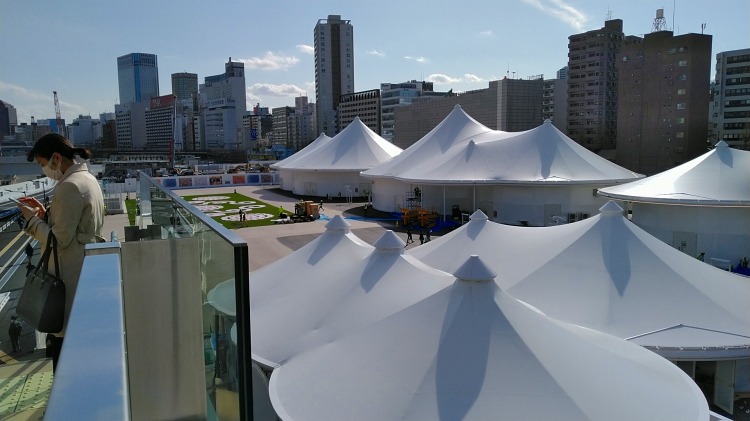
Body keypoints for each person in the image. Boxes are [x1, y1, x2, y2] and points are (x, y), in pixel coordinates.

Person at [16, 133, 105, 371]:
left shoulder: (68, 186)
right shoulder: (87, 179)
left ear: (56, 158)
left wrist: (32, 221)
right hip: (83, 272)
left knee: (65, 357)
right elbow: (74, 227)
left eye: (43, 164)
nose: (44, 169)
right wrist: (46, 213)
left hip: (67, 279)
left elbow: (59, 240)